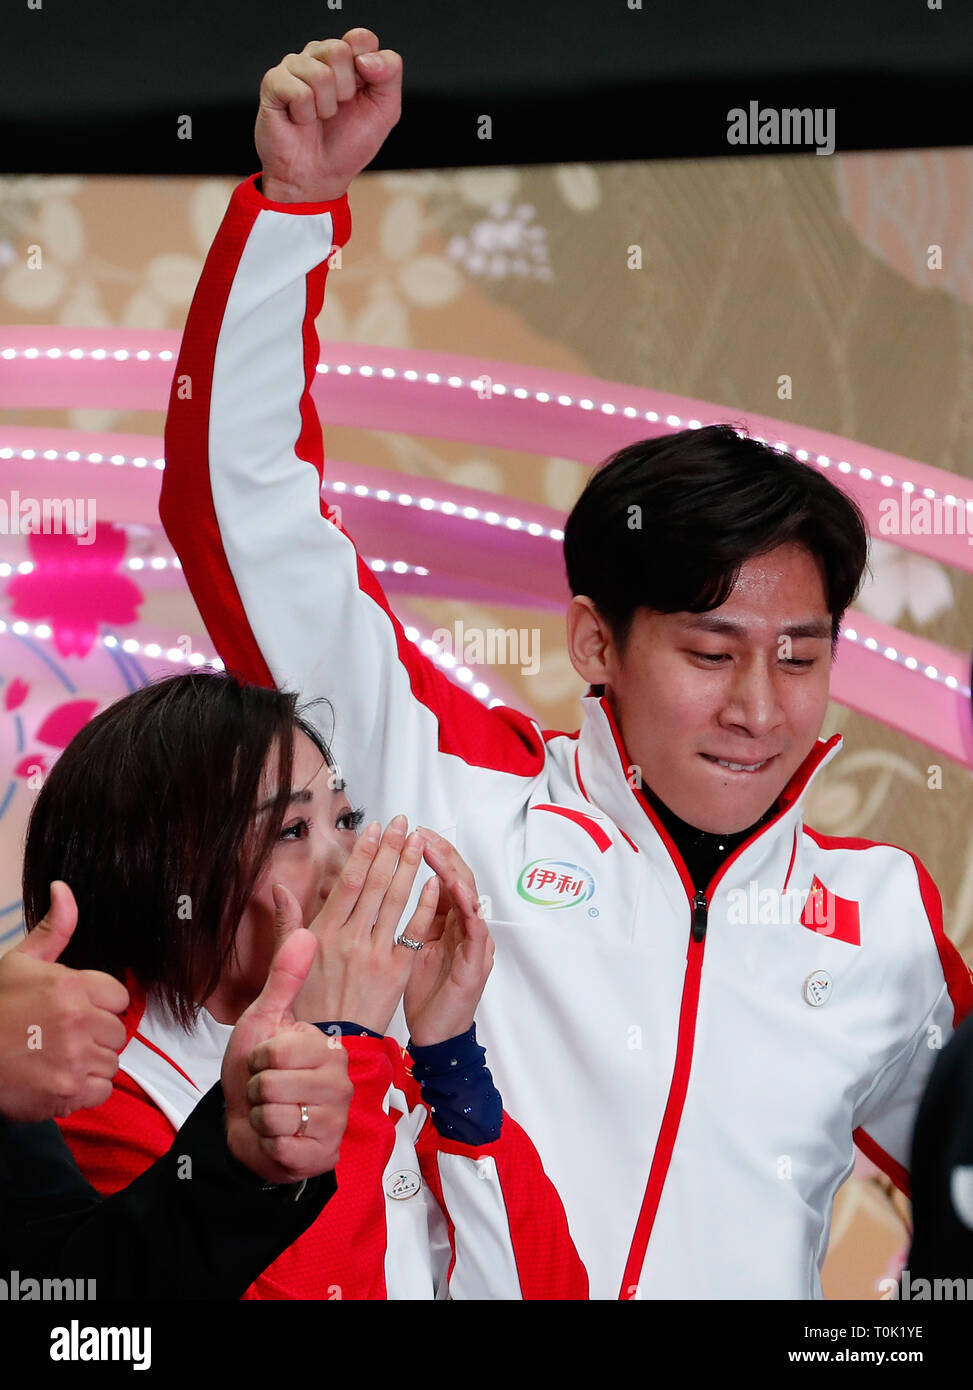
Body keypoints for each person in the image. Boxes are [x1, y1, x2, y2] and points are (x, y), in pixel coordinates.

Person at [159, 28, 973, 1299]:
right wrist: (294, 212)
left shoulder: (883, 920)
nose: (759, 707)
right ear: (597, 639)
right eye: (709, 651)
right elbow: (242, 509)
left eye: (800, 657)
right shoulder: (448, 789)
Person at [31, 672, 587, 1300]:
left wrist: (450, 1059)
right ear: (158, 867)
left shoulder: (384, 1062)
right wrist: (338, 1040)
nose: (349, 864)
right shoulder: (89, 1085)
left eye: (346, 818)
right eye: (291, 831)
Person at [0, 879, 352, 1299]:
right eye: (291, 831)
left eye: (348, 821)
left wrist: (238, 1168)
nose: (339, 875)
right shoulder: (103, 1084)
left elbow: (73, 1291)